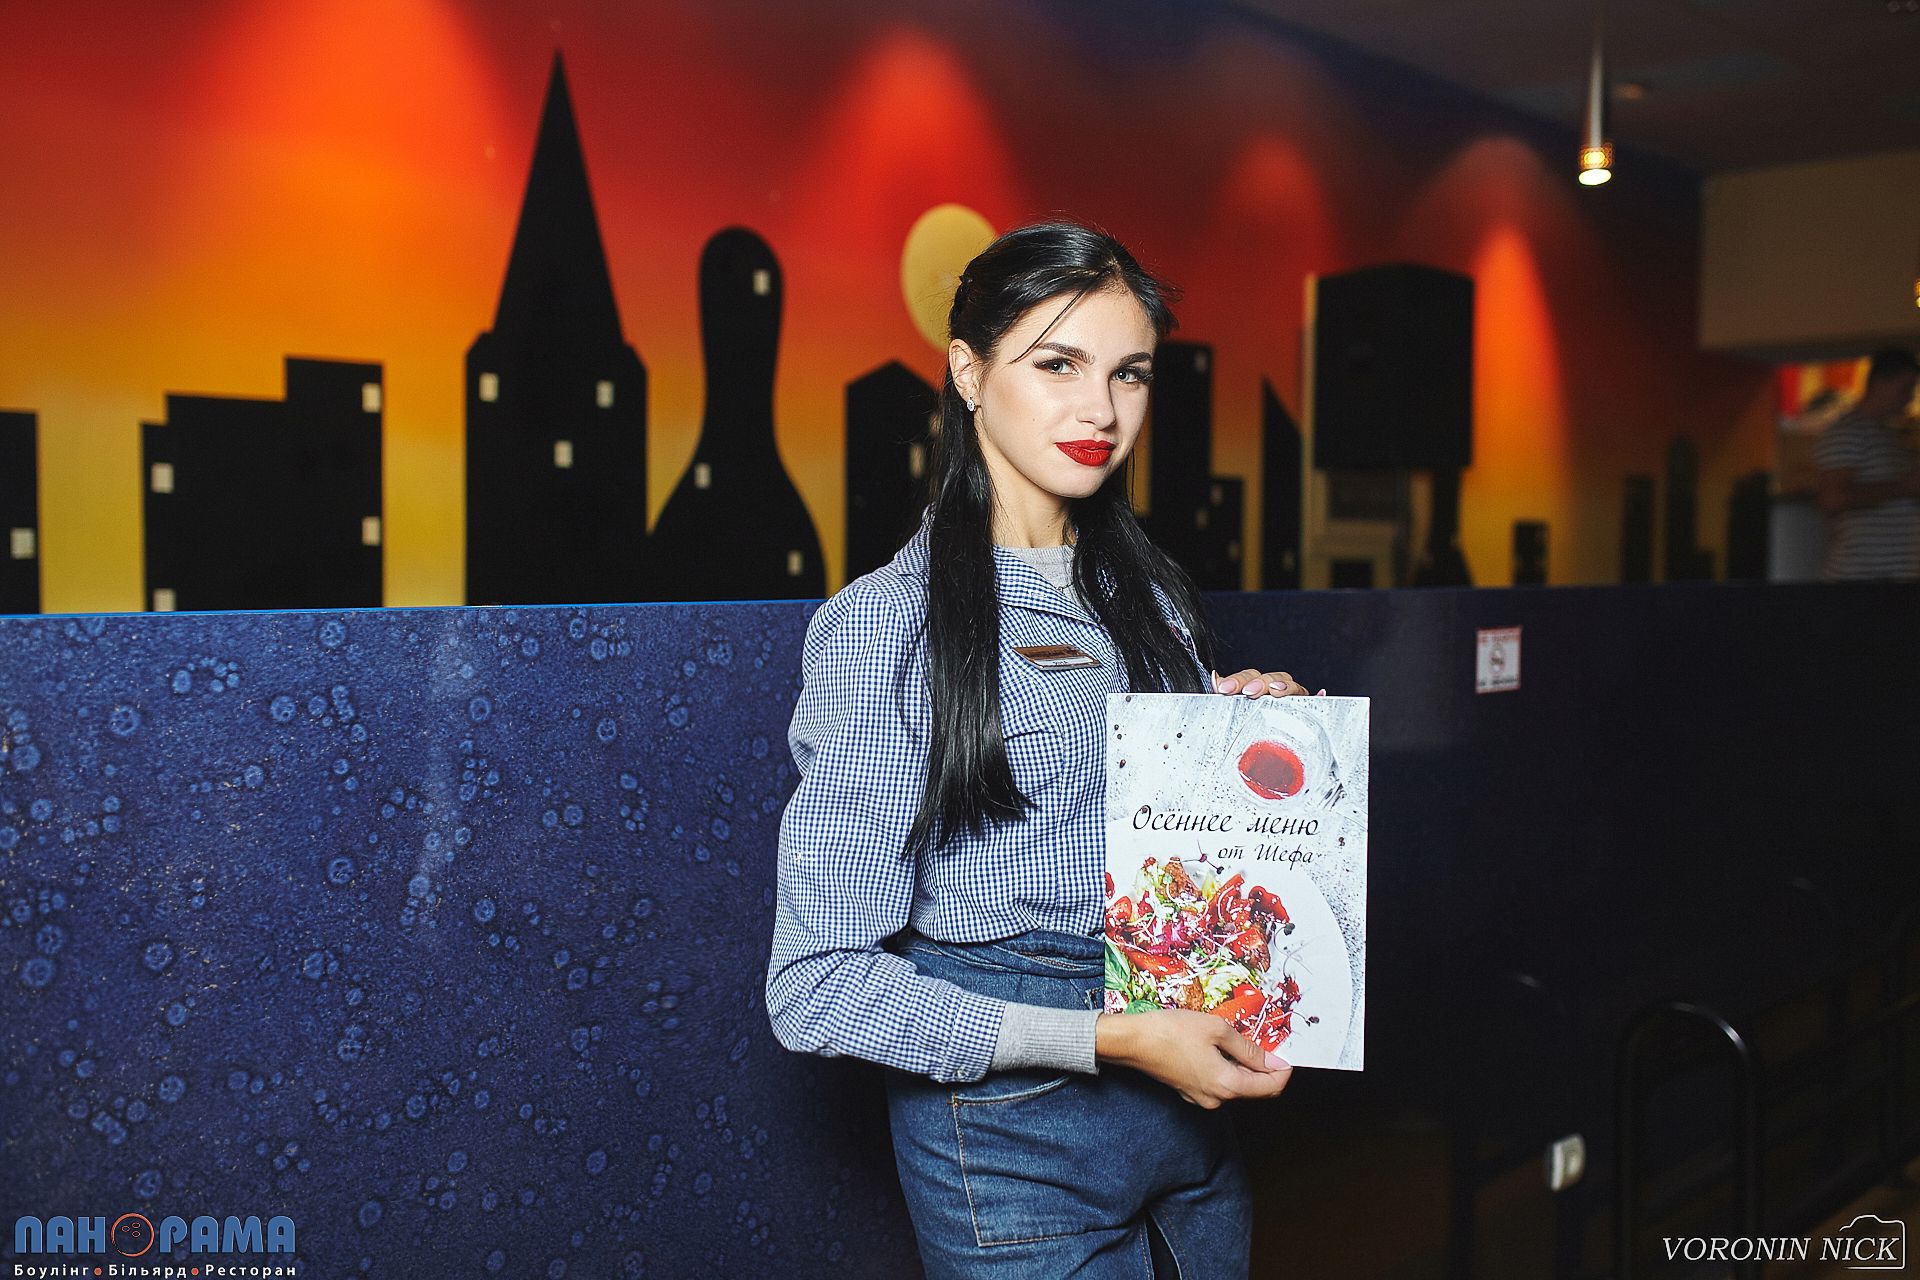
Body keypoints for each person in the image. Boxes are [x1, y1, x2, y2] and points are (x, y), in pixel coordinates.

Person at [766, 221, 1309, 1278]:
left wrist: (1240, 731)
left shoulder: (1148, 598)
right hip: (1016, 1132)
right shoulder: (890, 623)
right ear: (969, 373)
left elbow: (1154, 846)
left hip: (1187, 1099)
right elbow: (816, 986)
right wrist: (1110, 1038)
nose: (1101, 409)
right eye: (1058, 364)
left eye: (1128, 373)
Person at [1815, 347, 1920, 582]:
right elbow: (1833, 498)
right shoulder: (1849, 431)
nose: (1909, 398)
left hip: (1893, 578)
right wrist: (1904, 487)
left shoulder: (1887, 435)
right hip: (1863, 579)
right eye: (1905, 389)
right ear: (1880, 383)